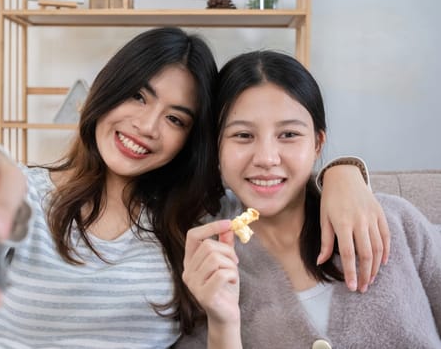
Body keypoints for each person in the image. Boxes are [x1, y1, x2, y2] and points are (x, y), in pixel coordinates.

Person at [0, 28, 388, 348]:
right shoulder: (26, 194)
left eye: (175, 118)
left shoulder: (204, 215)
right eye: (138, 95)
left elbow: (277, 180)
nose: (146, 126)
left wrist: (342, 173)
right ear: (107, 89)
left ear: (191, 137)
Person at [176, 50, 441, 348]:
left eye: (288, 134)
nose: (266, 158)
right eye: (243, 136)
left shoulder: (394, 221)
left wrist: (344, 170)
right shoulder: (206, 261)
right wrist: (222, 323)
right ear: (216, 149)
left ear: (317, 143)